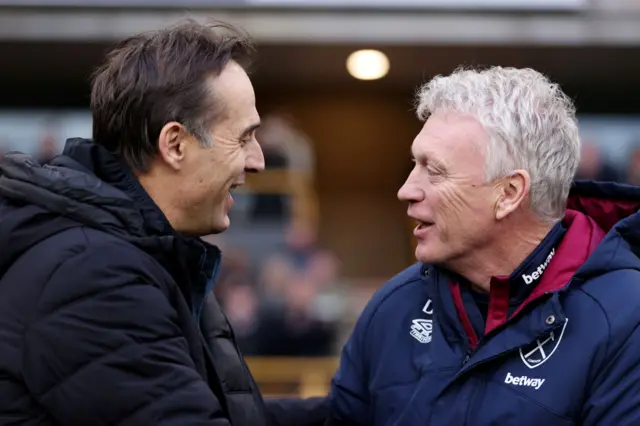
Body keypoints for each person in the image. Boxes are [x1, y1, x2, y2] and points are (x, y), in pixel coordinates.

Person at [0, 20, 326, 426]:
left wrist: (357, 408)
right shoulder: (93, 277)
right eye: (243, 139)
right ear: (174, 144)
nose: (258, 161)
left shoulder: (136, 255)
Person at [327, 67, 640, 425]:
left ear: (508, 194)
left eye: (435, 170)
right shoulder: (395, 306)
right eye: (416, 164)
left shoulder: (625, 318)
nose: (407, 190)